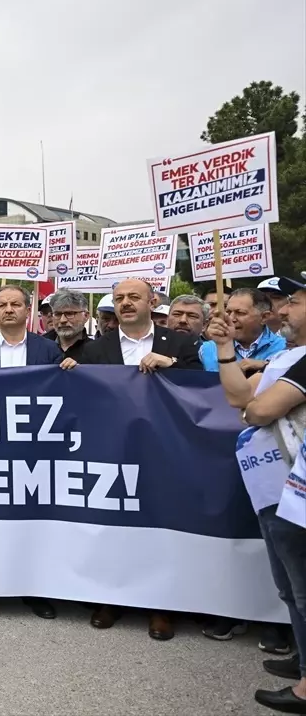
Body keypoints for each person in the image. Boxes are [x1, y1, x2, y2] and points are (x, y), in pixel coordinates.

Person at [78, 278, 203, 640]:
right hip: (113, 448)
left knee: (160, 525)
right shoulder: (96, 349)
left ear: (153, 301)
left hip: (165, 448)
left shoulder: (181, 343)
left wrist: (173, 365)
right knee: (113, 525)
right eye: (119, 299)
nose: (126, 303)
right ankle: (111, 598)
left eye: (134, 297)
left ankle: (161, 606)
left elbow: (204, 388)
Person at [206, 272, 306, 710]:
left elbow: (259, 409)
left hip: (297, 490)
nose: (282, 310)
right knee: (289, 588)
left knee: (303, 589)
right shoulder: (289, 357)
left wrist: (254, 408)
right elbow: (238, 398)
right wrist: (226, 350)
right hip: (274, 488)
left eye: (294, 302)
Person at [0, 284, 62, 620]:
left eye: (15, 304)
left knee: (32, 522)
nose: (7, 310)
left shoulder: (49, 350)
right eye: (1, 304)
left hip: (35, 448)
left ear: (27, 309)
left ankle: (35, 590)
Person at [200, 288, 286, 374]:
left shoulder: (285, 349)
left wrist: (266, 366)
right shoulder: (207, 349)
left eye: (240, 313)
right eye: (228, 312)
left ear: (264, 317)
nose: (231, 318)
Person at [44, 289, 92, 364]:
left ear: (86, 316)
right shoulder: (39, 346)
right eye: (57, 314)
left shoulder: (97, 350)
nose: (63, 320)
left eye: (70, 313)